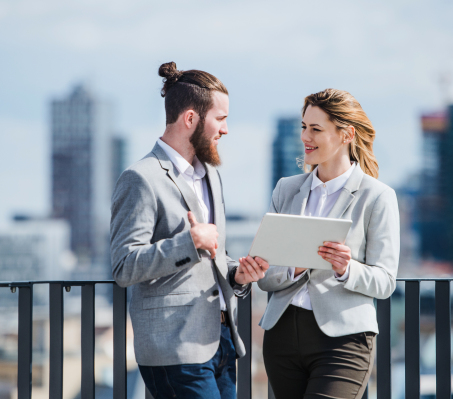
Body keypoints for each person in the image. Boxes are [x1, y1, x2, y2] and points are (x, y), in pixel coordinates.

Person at [110, 62, 268, 399]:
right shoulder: (140, 178)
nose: (225, 130)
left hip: (221, 342)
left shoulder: (211, 176)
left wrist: (238, 275)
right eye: (221, 119)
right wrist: (190, 241)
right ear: (191, 119)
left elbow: (213, 256)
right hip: (174, 347)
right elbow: (123, 266)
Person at [243, 89, 400, 399]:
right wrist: (292, 268)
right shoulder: (286, 189)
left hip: (343, 340)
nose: (306, 137)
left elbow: (385, 282)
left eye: (316, 129)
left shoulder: (377, 196)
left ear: (346, 134)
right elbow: (267, 275)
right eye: (304, 127)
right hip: (282, 336)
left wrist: (346, 268)